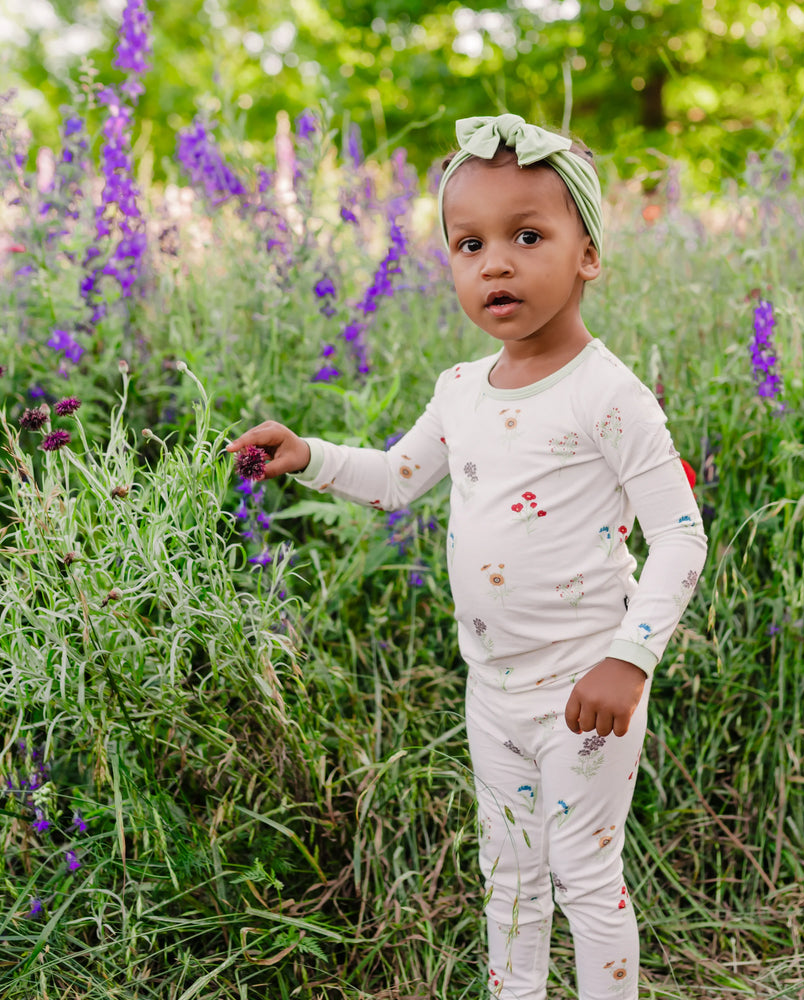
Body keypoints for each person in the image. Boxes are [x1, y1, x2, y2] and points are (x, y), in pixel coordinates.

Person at [226, 113, 707, 1000]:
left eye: (528, 237)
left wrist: (629, 659)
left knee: (585, 876)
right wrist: (310, 456)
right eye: (470, 244)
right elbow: (396, 478)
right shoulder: (460, 391)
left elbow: (680, 536)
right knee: (510, 878)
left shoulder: (608, 396)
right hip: (492, 691)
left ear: (588, 254)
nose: (496, 264)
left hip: (583, 687)